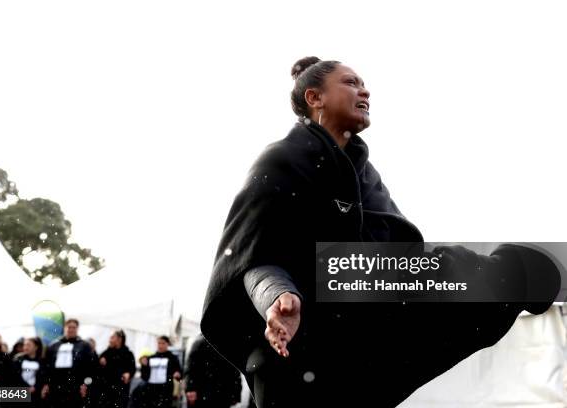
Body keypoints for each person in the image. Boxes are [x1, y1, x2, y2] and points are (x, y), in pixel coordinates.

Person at [200, 56, 562, 407]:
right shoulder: (281, 160)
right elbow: (254, 256)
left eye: (365, 84)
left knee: (456, 273)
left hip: (362, 331)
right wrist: (279, 299)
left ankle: (524, 272)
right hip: (297, 348)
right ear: (315, 98)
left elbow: (399, 254)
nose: (365, 91)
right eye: (351, 82)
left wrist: (491, 278)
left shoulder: (365, 174)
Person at [42, 318, 97, 408]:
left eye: (73, 327)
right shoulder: (54, 345)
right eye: (69, 327)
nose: (71, 329)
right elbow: (47, 366)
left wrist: (86, 384)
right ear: (64, 328)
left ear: (77, 329)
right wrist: (46, 383)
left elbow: (91, 367)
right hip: (55, 385)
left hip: (75, 386)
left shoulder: (84, 345)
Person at [184, 334, 241, 408]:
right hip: (204, 391)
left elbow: (235, 371)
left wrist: (236, 394)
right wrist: (190, 388)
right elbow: (191, 368)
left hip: (223, 393)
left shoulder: (228, 345)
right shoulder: (200, 343)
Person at [96, 330, 136, 408]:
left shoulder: (128, 354)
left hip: (120, 390)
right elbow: (97, 370)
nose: (110, 340)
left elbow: (132, 369)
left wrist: (129, 374)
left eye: (112, 337)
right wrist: (100, 363)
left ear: (119, 339)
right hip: (106, 391)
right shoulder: (105, 353)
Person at [140, 335, 181, 407]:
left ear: (167, 344)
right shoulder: (151, 358)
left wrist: (177, 374)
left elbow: (179, 372)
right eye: (159, 343)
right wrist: (144, 366)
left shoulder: (173, 358)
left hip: (166, 390)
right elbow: (144, 376)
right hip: (151, 390)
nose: (160, 345)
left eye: (163, 343)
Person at [11, 337, 44, 406]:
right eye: (24, 345)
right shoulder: (18, 358)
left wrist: (35, 387)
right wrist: (26, 387)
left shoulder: (42, 361)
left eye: (28, 345)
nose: (25, 347)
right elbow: (15, 375)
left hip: (36, 393)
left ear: (36, 347)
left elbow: (43, 377)